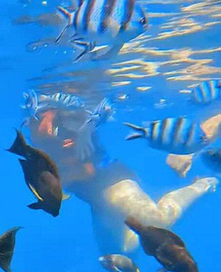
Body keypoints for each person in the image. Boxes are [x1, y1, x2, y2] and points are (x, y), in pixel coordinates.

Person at [25, 101, 218, 254]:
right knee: (116, 252)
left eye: (43, 111)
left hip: (111, 181)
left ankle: (203, 185)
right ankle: (126, 220)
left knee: (156, 221)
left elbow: (87, 167)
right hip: (93, 197)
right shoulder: (38, 127)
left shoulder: (70, 118)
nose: (36, 117)